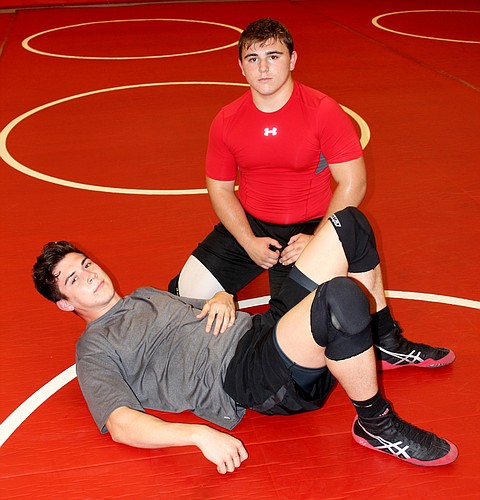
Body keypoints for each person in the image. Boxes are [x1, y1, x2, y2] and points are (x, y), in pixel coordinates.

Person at [33, 207, 458, 473]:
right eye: (75, 279)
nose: (90, 275)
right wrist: (198, 436)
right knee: (340, 299)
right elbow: (119, 423)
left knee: (349, 224)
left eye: (86, 264)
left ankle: (383, 342)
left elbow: (199, 308)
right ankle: (376, 424)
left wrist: (220, 296)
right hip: (247, 375)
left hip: (261, 332)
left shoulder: (145, 294)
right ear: (65, 304)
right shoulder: (94, 348)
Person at [169, 17, 367, 302]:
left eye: (273, 56)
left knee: (297, 322)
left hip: (311, 225)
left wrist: (319, 239)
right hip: (253, 223)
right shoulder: (227, 119)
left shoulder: (323, 110)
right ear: (241, 67)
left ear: (292, 59)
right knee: (188, 294)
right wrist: (248, 241)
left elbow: (353, 182)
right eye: (252, 58)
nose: (263, 68)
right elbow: (220, 189)